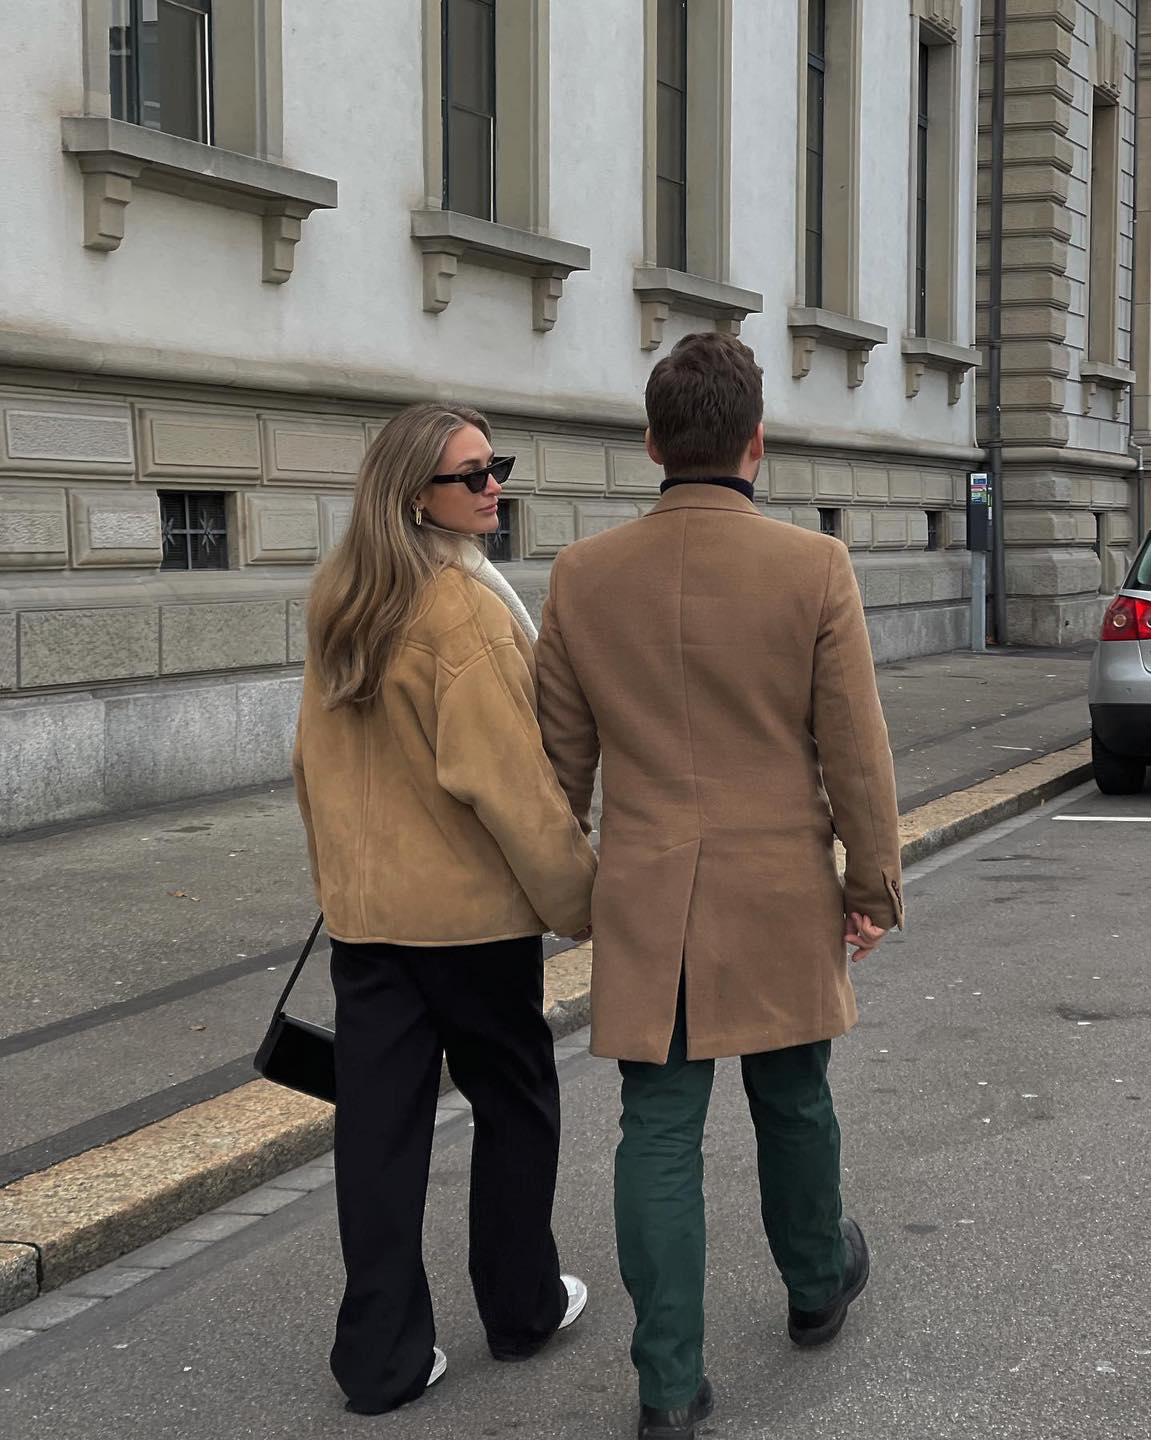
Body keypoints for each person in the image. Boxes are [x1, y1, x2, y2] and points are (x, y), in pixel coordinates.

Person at [535, 332, 904, 1440]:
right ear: (757, 442)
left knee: (657, 1128)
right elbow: (854, 752)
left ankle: (666, 1385)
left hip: (651, 890)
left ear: (651, 444)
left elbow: (557, 773)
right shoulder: (813, 567)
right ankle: (814, 1285)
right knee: (793, 1097)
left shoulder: (582, 576)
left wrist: (573, 899)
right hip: (779, 884)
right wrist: (871, 884)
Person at [293, 402, 597, 1416]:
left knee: (378, 1136)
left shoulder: (343, 596)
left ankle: (380, 1358)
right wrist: (579, 899)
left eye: (494, 465)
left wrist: (339, 880)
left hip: (368, 921)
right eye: (471, 475)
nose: (493, 485)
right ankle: (520, 1308)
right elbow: (511, 784)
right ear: (414, 494)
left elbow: (310, 764)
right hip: (468, 920)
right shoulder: (459, 609)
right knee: (515, 1106)